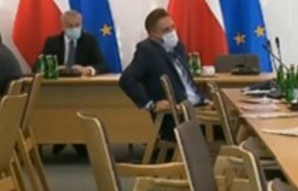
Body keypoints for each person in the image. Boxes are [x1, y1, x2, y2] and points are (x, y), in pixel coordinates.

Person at [119, 8, 207, 141]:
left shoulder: (178, 47)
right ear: (152, 34)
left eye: (173, 27)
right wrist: (151, 105)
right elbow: (126, 80)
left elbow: (187, 83)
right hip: (176, 117)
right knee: (226, 131)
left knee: (234, 123)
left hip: (198, 108)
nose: (172, 32)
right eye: (166, 30)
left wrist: (203, 99)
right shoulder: (147, 51)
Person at [40, 10, 107, 76]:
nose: (74, 29)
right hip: (59, 80)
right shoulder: (52, 42)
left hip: (82, 80)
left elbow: (102, 65)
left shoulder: (89, 41)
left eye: (77, 25)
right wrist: (56, 68)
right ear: (63, 26)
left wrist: (89, 70)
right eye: (70, 26)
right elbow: (39, 65)